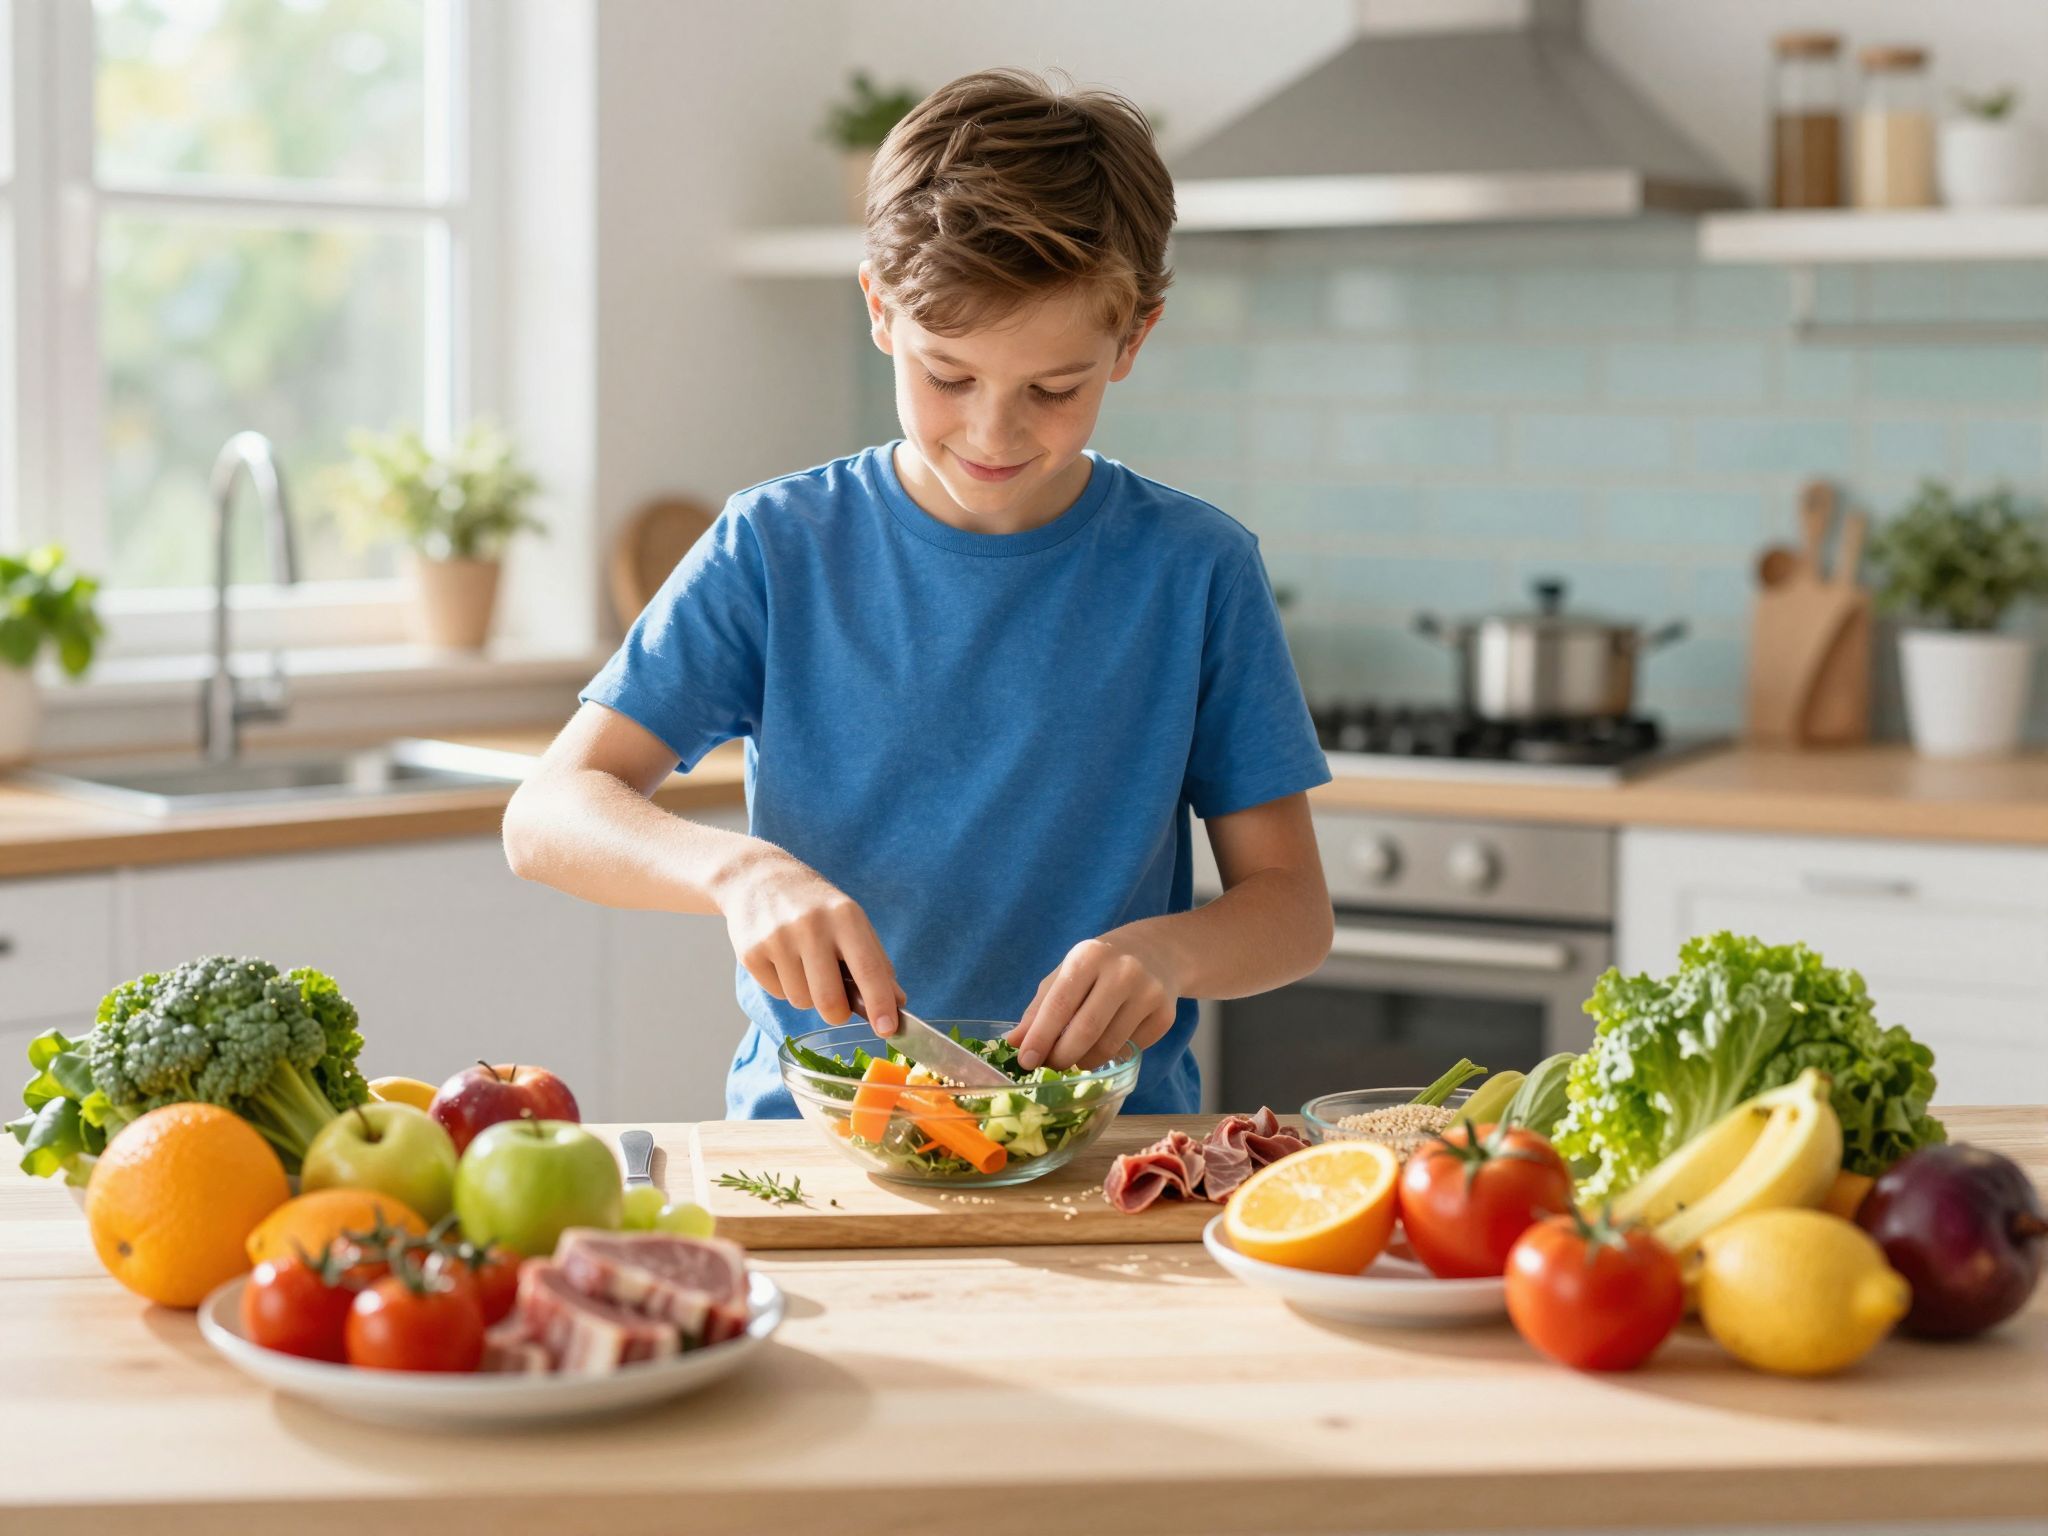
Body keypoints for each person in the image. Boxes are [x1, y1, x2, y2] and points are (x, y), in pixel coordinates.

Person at [503, 68, 1333, 1118]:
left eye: (1053, 388)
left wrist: (1168, 955)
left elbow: (1291, 909)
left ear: (1132, 341)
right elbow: (548, 814)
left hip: (1104, 1153)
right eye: (950, 377)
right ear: (879, 310)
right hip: (815, 1147)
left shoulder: (1195, 570)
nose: (993, 433)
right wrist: (739, 875)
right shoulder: (775, 548)